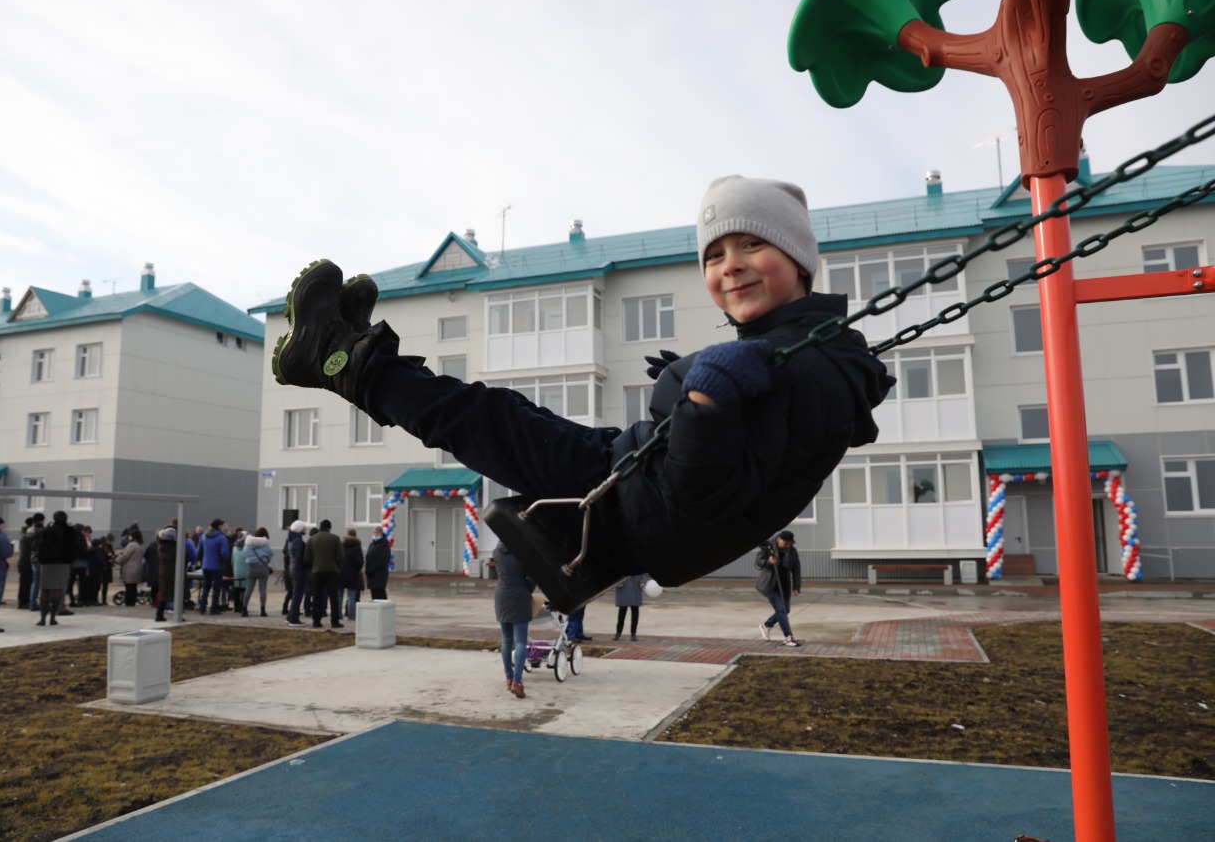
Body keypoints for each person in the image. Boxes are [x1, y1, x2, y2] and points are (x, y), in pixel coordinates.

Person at [268, 175, 893, 611]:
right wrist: (694, 386)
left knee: (477, 417)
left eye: (753, 244)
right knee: (495, 413)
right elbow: (759, 444)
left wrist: (704, 401)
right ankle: (350, 351)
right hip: (632, 480)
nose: (730, 265)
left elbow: (705, 496)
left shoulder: (813, 364)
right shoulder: (804, 349)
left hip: (629, 503)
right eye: (714, 254)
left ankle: (339, 360)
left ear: (801, 260)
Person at [493, 541, 536, 699]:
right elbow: (532, 577)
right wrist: (527, 590)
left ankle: (509, 678)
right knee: (520, 641)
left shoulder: (496, 551)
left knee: (506, 640)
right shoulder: (522, 552)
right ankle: (517, 682)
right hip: (519, 596)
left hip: (501, 595)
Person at [755, 530, 802, 647]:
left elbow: (796, 569)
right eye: (785, 543)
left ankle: (766, 625)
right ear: (778, 539)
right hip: (770, 584)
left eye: (789, 544)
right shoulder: (769, 547)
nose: (787, 546)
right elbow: (758, 562)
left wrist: (796, 586)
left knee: (786, 609)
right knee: (781, 609)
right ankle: (788, 637)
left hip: (784, 584)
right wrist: (769, 562)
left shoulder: (792, 551)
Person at [36, 510, 82, 626]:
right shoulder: (71, 532)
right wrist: (69, 560)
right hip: (63, 563)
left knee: (45, 590)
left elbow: (40, 547)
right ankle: (52, 617)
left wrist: (41, 559)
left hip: (47, 564)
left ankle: (42, 618)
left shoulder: (47, 531)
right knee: (58, 590)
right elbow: (74, 549)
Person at [306, 519, 344, 629]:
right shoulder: (335, 539)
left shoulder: (312, 539)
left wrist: (313, 566)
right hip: (332, 571)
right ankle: (335, 621)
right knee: (333, 597)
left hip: (316, 571)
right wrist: (337, 566)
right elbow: (340, 556)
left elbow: (307, 557)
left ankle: (316, 621)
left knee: (317, 596)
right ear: (329, 528)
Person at [196, 518, 231, 615]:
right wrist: (223, 561)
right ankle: (213, 608)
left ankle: (202, 607)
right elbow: (225, 553)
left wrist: (200, 561)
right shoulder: (221, 538)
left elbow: (199, 550)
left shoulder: (203, 536)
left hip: (206, 565)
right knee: (216, 588)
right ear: (219, 526)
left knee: (206, 586)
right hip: (217, 566)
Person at [242, 527, 274, 617]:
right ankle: (263, 610)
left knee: (248, 589)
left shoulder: (248, 544)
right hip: (263, 568)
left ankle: (244, 609)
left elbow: (244, 554)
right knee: (262, 590)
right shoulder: (266, 544)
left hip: (250, 567)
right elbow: (270, 554)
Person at [284, 520, 309, 625]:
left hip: (293, 569)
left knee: (295, 594)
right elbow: (300, 557)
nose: (305, 529)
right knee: (297, 595)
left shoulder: (291, 540)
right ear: (299, 529)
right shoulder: (298, 541)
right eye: (304, 528)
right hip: (298, 570)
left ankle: (290, 616)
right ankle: (294, 619)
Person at [116, 528, 145, 608]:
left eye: (129, 536)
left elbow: (125, 556)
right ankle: (133, 602)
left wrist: (117, 560)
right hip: (138, 568)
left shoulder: (131, 545)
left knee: (129, 587)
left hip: (129, 568)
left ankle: (129, 602)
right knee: (134, 587)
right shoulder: (141, 545)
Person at [340, 527, 365, 620]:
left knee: (339, 596)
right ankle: (351, 616)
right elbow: (359, 562)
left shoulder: (340, 545)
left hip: (340, 574)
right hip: (352, 574)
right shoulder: (357, 547)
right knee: (351, 596)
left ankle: (338, 615)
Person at [614, 574, 648, 642]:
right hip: (623, 587)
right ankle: (618, 632)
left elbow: (642, 572)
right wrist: (617, 582)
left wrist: (642, 581)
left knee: (635, 612)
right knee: (622, 612)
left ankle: (633, 633)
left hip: (635, 587)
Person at [24, 513, 46, 611]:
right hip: (41, 558)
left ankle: (32, 603)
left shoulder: (29, 530)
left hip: (32, 558)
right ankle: (42, 602)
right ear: (41, 520)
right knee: (43, 582)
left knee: (35, 580)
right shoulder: (43, 531)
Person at [364, 526, 391, 600]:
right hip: (371, 574)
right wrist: (367, 569)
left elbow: (383, 559)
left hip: (380, 574)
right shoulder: (372, 544)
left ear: (381, 534)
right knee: (374, 593)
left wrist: (372, 569)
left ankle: (383, 610)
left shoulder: (384, 544)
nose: (375, 534)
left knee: (380, 593)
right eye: (374, 532)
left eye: (377, 533)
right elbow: (367, 557)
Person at [16, 515, 37, 610]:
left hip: (23, 561)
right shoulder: (27, 536)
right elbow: (26, 550)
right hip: (26, 561)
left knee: (26, 582)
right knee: (26, 582)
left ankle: (24, 601)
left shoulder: (23, 534)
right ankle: (24, 601)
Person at [230, 527, 248, 616]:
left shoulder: (235, 547)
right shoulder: (247, 548)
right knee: (244, 590)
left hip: (236, 570)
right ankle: (243, 605)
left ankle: (236, 606)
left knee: (237, 589)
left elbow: (232, 560)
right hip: (245, 571)